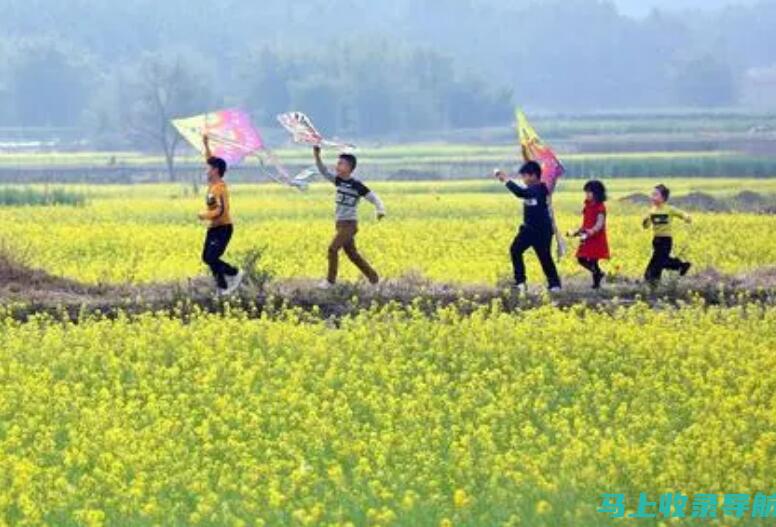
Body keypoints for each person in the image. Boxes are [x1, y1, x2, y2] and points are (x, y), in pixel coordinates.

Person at [313, 145, 386, 287]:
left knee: (332, 249)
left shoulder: (356, 185)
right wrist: (317, 154)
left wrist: (380, 210)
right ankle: (375, 280)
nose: (337, 166)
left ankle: (330, 281)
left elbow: (374, 198)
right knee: (353, 255)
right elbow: (323, 171)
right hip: (339, 224)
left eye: (340, 163)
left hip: (349, 225)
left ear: (349, 167)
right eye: (337, 163)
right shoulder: (338, 181)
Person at [494, 161, 562, 293]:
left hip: (541, 230)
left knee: (544, 256)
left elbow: (520, 192)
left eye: (525, 176)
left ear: (534, 176)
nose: (523, 179)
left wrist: (506, 180)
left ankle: (553, 285)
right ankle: (521, 282)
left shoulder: (540, 189)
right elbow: (524, 192)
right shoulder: (533, 189)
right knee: (516, 250)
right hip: (529, 229)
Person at [198, 134, 243, 295]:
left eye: (208, 168)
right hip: (214, 227)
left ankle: (234, 273)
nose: (206, 170)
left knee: (211, 258)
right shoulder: (213, 183)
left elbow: (221, 211)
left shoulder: (219, 188)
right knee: (207, 258)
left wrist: (205, 215)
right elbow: (210, 159)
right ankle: (222, 288)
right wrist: (206, 143)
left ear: (215, 171)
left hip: (223, 228)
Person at [642, 183, 692, 285]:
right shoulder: (652, 210)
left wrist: (687, 217)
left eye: (656, 195)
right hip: (656, 240)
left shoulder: (669, 209)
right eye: (652, 194)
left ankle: (681, 265)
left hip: (666, 240)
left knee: (660, 263)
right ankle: (655, 283)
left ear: (663, 197)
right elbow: (646, 226)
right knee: (657, 264)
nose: (653, 197)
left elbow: (681, 214)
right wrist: (645, 221)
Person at [569, 180, 610, 289]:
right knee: (581, 259)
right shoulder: (587, 206)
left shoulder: (600, 207)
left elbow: (600, 223)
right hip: (586, 237)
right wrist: (577, 232)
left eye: (589, 192)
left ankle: (596, 284)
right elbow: (586, 222)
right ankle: (599, 274)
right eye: (586, 192)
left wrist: (591, 231)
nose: (586, 194)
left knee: (593, 260)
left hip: (596, 238)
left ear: (597, 193)